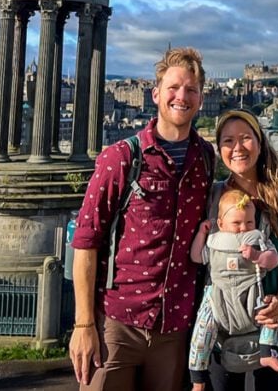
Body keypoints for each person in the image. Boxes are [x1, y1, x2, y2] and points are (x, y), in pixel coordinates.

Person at [69, 47, 214, 391]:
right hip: (117, 326)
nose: (182, 97)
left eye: (191, 90)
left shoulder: (206, 158)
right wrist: (83, 325)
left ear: (201, 99)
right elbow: (86, 243)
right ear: (156, 94)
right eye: (174, 88)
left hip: (176, 329)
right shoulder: (120, 157)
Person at [207, 109, 278, 391]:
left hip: (277, 337)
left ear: (260, 142)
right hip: (221, 340)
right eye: (228, 141)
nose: (237, 148)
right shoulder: (212, 198)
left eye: (246, 138)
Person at [188, 189, 278, 390]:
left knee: (270, 314)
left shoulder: (256, 238)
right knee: (203, 328)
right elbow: (197, 257)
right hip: (218, 295)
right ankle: (198, 377)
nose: (243, 228)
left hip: (250, 292)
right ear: (221, 224)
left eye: (249, 222)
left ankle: (267, 353)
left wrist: (257, 256)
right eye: (237, 223)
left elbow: (273, 260)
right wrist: (201, 233)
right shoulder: (214, 240)